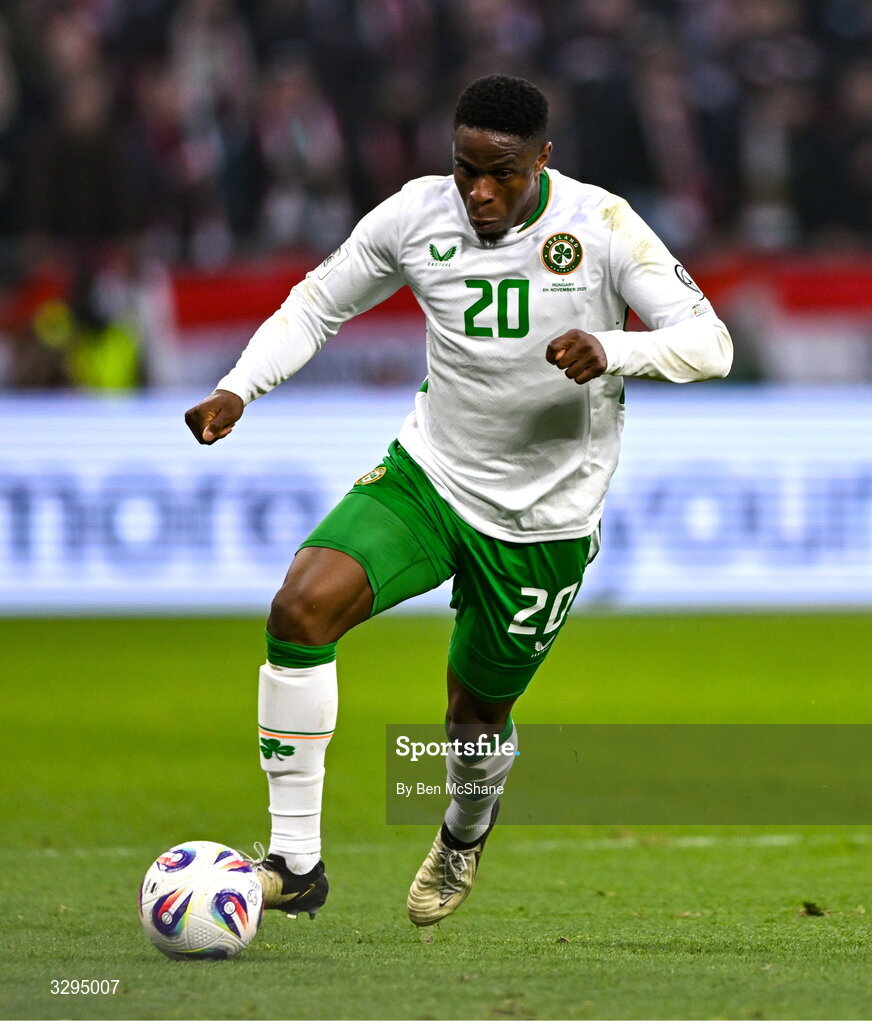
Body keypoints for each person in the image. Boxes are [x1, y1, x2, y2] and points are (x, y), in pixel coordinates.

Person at [185, 75, 732, 927]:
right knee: (299, 610)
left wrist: (615, 349)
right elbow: (316, 306)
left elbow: (711, 343)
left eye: (502, 173)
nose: (479, 192)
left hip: (544, 521)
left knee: (472, 720)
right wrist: (238, 388)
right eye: (465, 168)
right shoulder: (414, 215)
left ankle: (465, 828)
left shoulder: (603, 225)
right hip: (431, 476)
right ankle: (294, 863)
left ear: (542, 159)